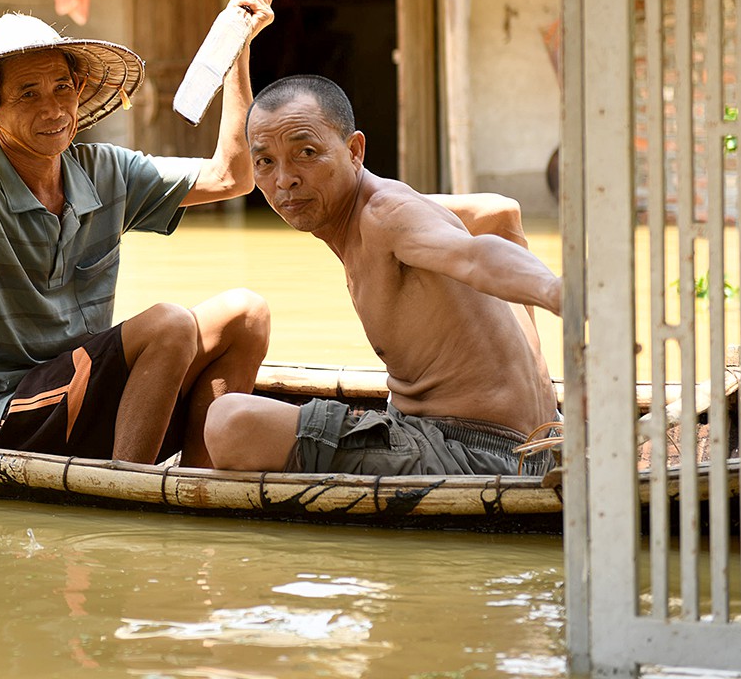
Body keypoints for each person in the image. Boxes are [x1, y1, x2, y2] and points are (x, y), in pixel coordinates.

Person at [0, 0, 277, 467]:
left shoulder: (106, 171)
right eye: (27, 94)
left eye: (62, 87)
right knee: (170, 324)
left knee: (247, 314)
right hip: (2, 416)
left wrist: (237, 51)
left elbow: (232, 177)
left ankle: (195, 482)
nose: (53, 109)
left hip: (82, 392)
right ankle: (129, 493)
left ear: (80, 89)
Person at [204, 74, 563, 476]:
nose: (284, 179)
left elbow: (474, 258)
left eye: (306, 152)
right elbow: (500, 211)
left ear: (354, 150)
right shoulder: (389, 206)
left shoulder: (384, 217)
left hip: (474, 453)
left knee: (228, 421)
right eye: (265, 162)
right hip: (542, 441)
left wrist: (559, 293)